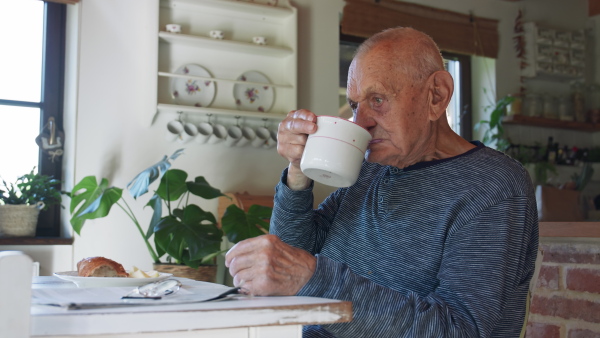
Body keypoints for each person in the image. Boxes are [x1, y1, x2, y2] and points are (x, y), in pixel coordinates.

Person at [225, 27, 539, 338]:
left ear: (437, 95)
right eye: (354, 105)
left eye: (377, 99)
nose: (360, 122)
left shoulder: (493, 186)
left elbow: (458, 329)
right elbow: (294, 256)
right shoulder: (371, 169)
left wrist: (315, 277)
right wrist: (298, 171)